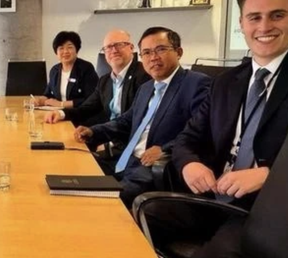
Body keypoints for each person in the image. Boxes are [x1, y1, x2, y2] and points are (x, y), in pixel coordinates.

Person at [143, 0, 288, 258]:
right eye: (254, 17)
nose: (264, 26)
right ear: (242, 24)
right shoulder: (226, 82)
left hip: (266, 211)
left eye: (277, 15)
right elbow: (188, 139)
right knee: (132, 217)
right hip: (215, 196)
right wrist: (190, 164)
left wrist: (269, 175)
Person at [73, 27, 210, 208]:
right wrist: (92, 131)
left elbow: (202, 130)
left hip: (153, 168)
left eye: (160, 49)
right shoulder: (146, 88)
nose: (153, 57)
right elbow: (126, 121)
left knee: (101, 202)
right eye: (146, 52)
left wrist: (165, 148)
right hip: (126, 161)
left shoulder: (196, 84)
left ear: (178, 52)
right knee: (77, 174)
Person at [45, 30, 151, 174]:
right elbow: (87, 107)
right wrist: (61, 113)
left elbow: (133, 121)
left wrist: (107, 143)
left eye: (119, 45)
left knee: (74, 168)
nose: (114, 50)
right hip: (107, 139)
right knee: (60, 161)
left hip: (127, 150)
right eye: (109, 47)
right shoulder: (105, 81)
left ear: (131, 48)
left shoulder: (145, 75)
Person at [35, 31, 99, 110]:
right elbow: (48, 94)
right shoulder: (54, 70)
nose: (65, 51)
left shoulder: (86, 68)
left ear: (77, 50)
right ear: (56, 52)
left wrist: (61, 104)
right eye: (61, 48)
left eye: (69, 47)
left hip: (81, 115)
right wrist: (39, 100)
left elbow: (91, 99)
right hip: (59, 113)